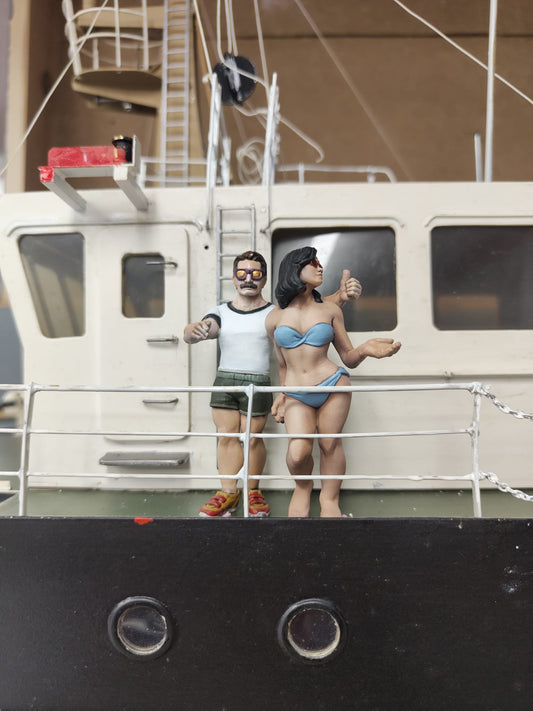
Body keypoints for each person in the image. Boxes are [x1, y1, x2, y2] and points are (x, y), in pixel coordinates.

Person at [183, 249, 362, 517]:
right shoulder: (221, 311)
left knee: (254, 437)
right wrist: (192, 331)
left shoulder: (273, 312)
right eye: (242, 273)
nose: (248, 279)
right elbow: (205, 328)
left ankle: (253, 490)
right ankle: (228, 491)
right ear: (233, 277)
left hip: (259, 382)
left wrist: (341, 296)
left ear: (265, 279)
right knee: (225, 435)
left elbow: (311, 308)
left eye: (256, 274)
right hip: (226, 379)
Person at [265, 246, 401, 518]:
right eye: (312, 262)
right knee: (298, 450)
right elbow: (282, 364)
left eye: (319, 262)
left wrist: (365, 349)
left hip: (332, 384)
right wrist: (281, 394)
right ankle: (302, 487)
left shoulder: (330, 310)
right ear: (295, 269)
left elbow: (348, 357)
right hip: (296, 391)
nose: (320, 267)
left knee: (330, 443)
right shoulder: (274, 317)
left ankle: (329, 500)